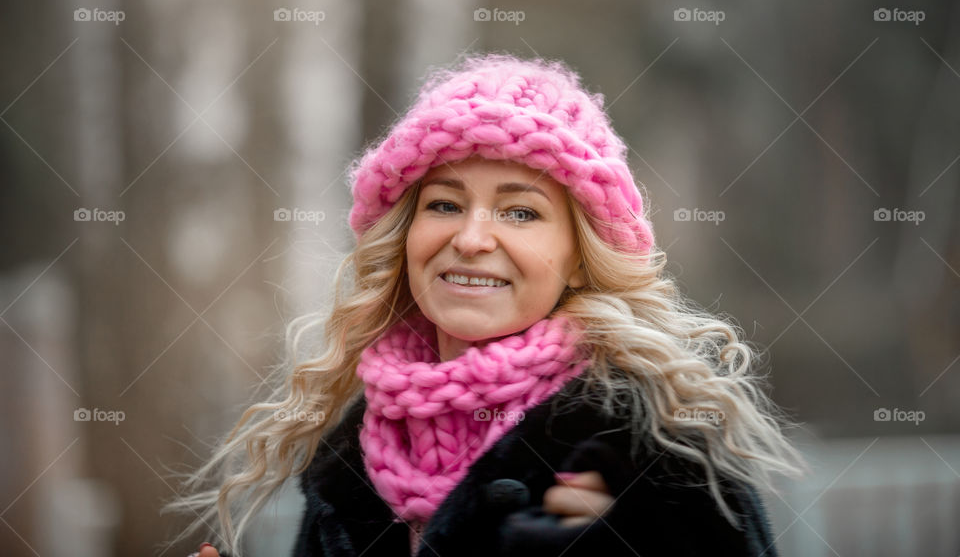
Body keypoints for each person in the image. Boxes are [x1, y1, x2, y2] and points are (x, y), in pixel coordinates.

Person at [168, 53, 805, 556]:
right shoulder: (351, 459)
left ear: (581, 254)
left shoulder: (650, 453)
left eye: (520, 211)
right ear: (406, 235)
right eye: (443, 204)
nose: (471, 240)